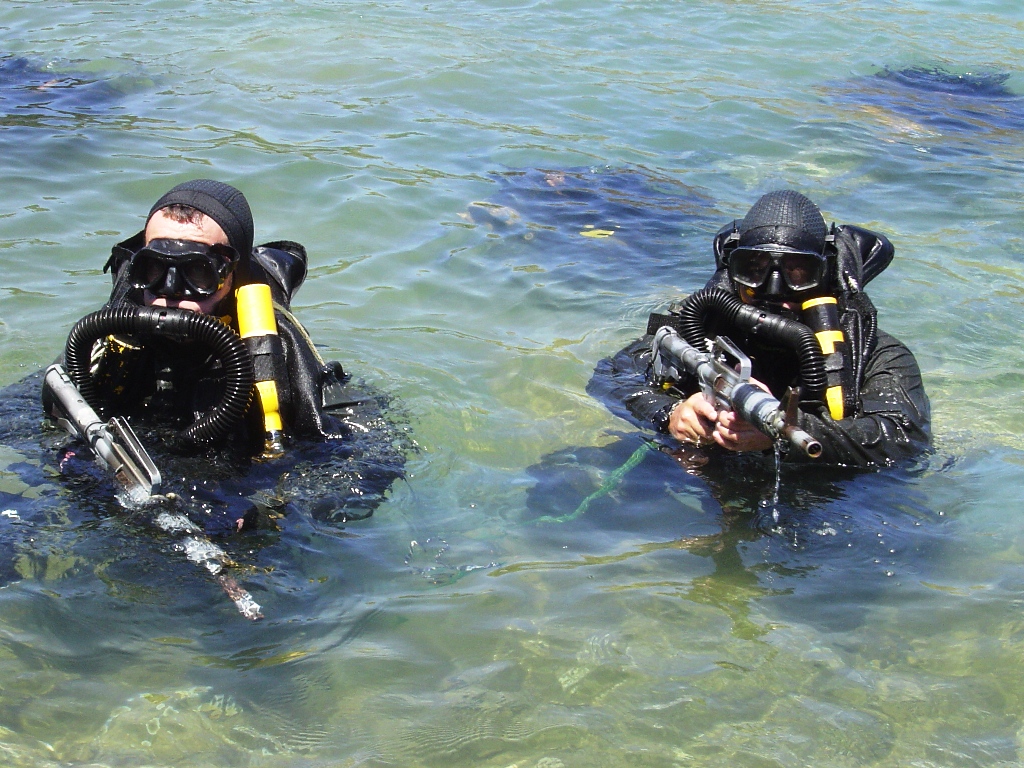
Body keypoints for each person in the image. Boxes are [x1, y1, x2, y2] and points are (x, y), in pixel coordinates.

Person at [45, 179, 406, 525]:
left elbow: (374, 460)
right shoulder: (110, 339)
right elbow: (28, 414)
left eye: (197, 274)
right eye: (155, 269)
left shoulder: (278, 353)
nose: (170, 294)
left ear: (234, 275)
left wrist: (269, 506)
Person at [588, 189, 931, 467]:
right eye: (755, 269)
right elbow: (610, 376)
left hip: (819, 493)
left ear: (824, 275)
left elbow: (905, 439)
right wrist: (670, 413)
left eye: (798, 273)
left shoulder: (870, 352)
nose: (775, 289)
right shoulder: (701, 324)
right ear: (733, 269)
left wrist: (784, 433)